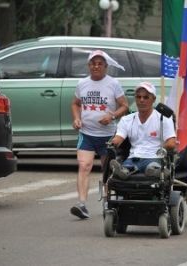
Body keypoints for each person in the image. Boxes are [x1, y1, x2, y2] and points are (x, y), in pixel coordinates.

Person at [70, 50, 128, 219]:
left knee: (107, 170)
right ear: (89, 66)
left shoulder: (113, 84)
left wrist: (112, 116)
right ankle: (81, 204)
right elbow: (75, 104)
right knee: (84, 166)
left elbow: (125, 106)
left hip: (108, 135)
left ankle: (109, 203)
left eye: (99, 64)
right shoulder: (82, 83)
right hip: (86, 134)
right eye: (93, 64)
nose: (96, 66)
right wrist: (76, 119)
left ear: (105, 66)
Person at [110, 82, 177, 179]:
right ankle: (123, 170)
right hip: (134, 157)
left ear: (153, 99)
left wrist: (162, 149)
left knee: (152, 166)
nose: (141, 100)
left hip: (154, 157)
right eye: (138, 97)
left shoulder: (164, 118)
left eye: (146, 97)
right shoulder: (126, 119)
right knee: (127, 168)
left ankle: (155, 170)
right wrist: (113, 143)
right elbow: (118, 138)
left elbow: (171, 142)